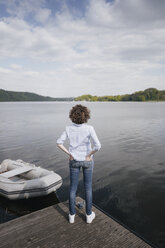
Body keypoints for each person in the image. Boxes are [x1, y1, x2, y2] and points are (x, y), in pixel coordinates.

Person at [56, 104, 101, 224]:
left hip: (74, 161)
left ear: (72, 116)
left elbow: (59, 143)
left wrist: (69, 154)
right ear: (86, 116)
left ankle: (71, 216)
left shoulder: (68, 128)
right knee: (88, 188)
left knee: (72, 188)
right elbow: (98, 146)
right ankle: (88, 215)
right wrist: (88, 155)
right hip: (87, 162)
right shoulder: (89, 128)